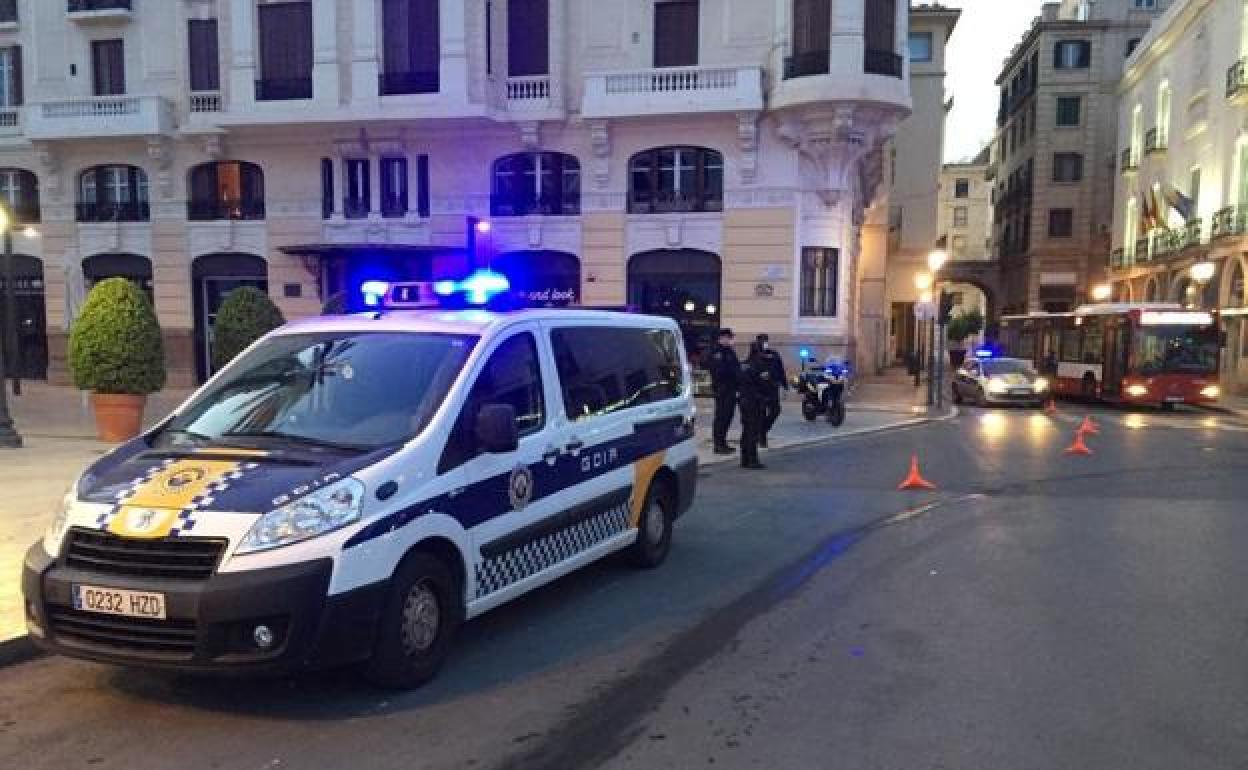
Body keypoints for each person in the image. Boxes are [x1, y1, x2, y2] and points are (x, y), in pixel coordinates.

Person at [708, 328, 740, 455]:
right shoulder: (717, 353)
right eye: (729, 337)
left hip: (731, 389)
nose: (731, 340)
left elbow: (736, 367)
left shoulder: (729, 351)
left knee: (728, 416)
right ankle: (718, 444)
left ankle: (723, 442)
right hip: (723, 389)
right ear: (722, 338)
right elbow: (720, 371)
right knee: (721, 417)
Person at [738, 343, 768, 470]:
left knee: (746, 429)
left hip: (743, 400)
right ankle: (752, 460)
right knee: (753, 431)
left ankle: (744, 458)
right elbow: (764, 384)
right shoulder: (760, 365)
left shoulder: (743, 364)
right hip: (755, 401)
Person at [754, 334, 788, 448]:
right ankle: (762, 439)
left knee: (775, 411)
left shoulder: (774, 354)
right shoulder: (755, 355)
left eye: (766, 341)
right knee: (761, 414)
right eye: (762, 341)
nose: (765, 343)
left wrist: (784, 383)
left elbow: (780, 368)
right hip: (761, 389)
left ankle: (762, 431)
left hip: (773, 388)